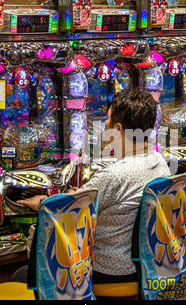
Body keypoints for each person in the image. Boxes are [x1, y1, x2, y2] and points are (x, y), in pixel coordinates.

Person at [16, 88, 171, 284]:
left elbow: (63, 211)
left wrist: (43, 202)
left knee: (20, 274)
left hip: (110, 271)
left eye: (107, 120)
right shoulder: (158, 161)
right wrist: (80, 194)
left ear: (119, 129)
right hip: (146, 265)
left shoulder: (115, 175)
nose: (104, 125)